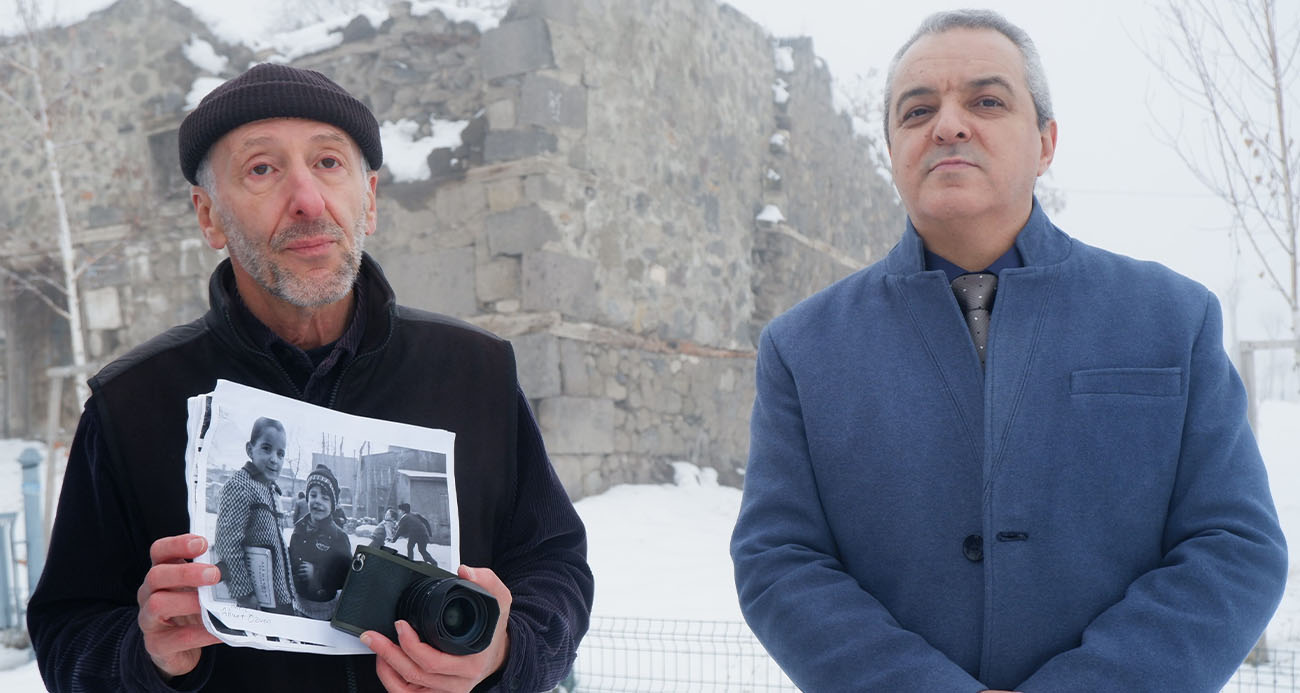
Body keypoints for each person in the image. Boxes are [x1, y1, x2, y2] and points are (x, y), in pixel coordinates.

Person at [730, 10, 1287, 693]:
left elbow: (1233, 546)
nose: (949, 125)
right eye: (917, 110)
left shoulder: (1172, 318)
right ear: (893, 149)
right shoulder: (804, 347)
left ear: (1046, 142)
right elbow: (780, 560)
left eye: (987, 101)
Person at [28, 63, 593, 692]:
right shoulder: (132, 404)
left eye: (328, 163)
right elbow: (66, 635)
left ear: (370, 198)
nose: (307, 200)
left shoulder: (477, 373)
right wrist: (146, 656)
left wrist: (507, 654)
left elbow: (555, 567)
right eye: (262, 169)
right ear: (208, 216)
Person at [213, 416, 297, 614]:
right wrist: (245, 594)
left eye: (280, 453)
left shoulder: (270, 489)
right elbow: (227, 544)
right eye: (266, 448)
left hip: (279, 594)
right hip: (258, 601)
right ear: (250, 450)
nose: (274, 459)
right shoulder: (240, 486)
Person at [289, 464, 352, 621]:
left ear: (333, 505)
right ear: (307, 497)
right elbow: (292, 560)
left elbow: (346, 576)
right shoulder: (299, 528)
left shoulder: (338, 537)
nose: (318, 501)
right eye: (313, 495)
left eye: (325, 498)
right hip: (299, 603)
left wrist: (316, 573)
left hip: (324, 609)